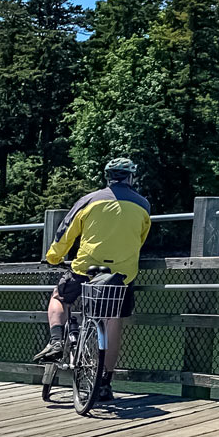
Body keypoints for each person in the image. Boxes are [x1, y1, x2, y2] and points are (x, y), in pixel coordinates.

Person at [33, 158, 152, 402]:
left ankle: (56, 342)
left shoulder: (89, 200)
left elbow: (65, 232)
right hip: (121, 274)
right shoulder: (143, 205)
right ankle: (104, 384)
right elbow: (141, 238)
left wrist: (53, 257)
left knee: (59, 298)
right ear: (131, 178)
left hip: (86, 268)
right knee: (112, 321)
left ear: (107, 177)